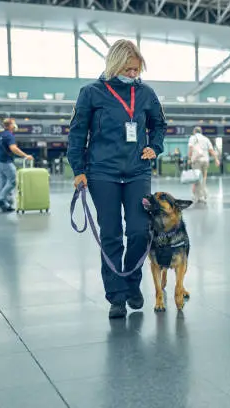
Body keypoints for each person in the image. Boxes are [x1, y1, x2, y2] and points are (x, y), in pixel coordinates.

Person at [67, 39, 167, 319]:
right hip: (102, 173)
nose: (134, 74)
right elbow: (77, 134)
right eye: (129, 69)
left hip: (137, 171)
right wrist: (78, 170)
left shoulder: (146, 93)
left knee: (139, 231)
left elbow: (159, 124)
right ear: (115, 64)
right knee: (110, 235)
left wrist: (155, 147)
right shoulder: (90, 93)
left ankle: (132, 284)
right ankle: (116, 297)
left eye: (137, 69)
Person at [0, 118, 34, 212]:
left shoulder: (0, 134)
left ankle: (4, 205)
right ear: (10, 125)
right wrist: (26, 155)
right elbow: (13, 148)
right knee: (13, 181)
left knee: (3, 182)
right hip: (6, 162)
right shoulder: (9, 135)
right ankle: (1, 198)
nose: (15, 125)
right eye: (13, 123)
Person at [187, 126, 220, 203]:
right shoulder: (206, 139)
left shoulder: (192, 138)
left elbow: (191, 148)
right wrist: (216, 159)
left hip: (196, 160)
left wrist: (189, 158)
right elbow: (211, 150)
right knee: (204, 178)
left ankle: (199, 196)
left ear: (194, 131)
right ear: (201, 132)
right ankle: (203, 194)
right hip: (205, 160)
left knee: (197, 178)